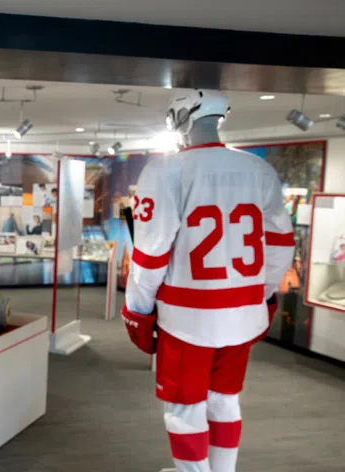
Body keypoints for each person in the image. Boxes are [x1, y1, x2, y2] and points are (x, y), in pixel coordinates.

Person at [121, 89, 295, 472]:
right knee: (225, 400)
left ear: (179, 119)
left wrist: (137, 308)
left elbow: (150, 256)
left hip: (187, 317)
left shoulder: (165, 170)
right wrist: (261, 295)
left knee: (184, 409)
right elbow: (282, 246)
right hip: (243, 312)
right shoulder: (259, 169)